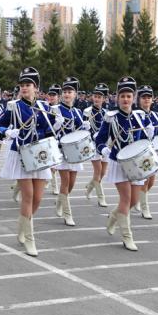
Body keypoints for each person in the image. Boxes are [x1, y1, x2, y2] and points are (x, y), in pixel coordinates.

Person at [0, 67, 59, 256]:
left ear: (36, 88)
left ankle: (22, 225)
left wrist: (55, 133)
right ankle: (30, 239)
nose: (24, 88)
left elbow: (48, 132)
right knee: (28, 196)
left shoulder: (44, 107)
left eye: (28, 85)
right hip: (21, 154)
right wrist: (7, 132)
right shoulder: (13, 106)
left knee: (38, 198)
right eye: (22, 85)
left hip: (40, 155)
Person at [95, 76, 151, 251]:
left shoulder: (141, 116)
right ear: (117, 98)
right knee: (126, 199)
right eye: (122, 96)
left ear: (133, 98)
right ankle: (127, 237)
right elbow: (100, 139)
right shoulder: (111, 117)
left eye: (129, 96)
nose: (126, 99)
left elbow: (145, 141)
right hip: (119, 162)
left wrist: (150, 134)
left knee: (134, 200)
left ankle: (113, 217)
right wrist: (103, 149)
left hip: (137, 163)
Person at [133, 85, 158, 219]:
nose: (146, 100)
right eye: (143, 97)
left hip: (153, 150)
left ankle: (137, 199)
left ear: (152, 99)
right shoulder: (136, 115)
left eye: (149, 97)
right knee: (144, 182)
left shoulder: (155, 115)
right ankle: (145, 208)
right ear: (139, 99)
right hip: (141, 151)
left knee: (151, 182)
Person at [53, 76, 88, 226]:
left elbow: (80, 133)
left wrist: (86, 127)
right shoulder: (56, 110)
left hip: (75, 152)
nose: (67, 94)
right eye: (65, 91)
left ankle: (60, 202)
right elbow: (49, 131)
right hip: (61, 150)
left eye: (70, 92)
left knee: (72, 183)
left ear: (75, 94)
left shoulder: (78, 112)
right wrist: (55, 125)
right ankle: (68, 214)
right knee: (65, 181)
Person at [83, 83, 110, 207]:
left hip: (104, 145)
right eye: (95, 96)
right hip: (93, 145)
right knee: (98, 171)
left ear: (104, 99)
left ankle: (89, 187)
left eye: (100, 97)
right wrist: (89, 131)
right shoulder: (87, 111)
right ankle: (101, 198)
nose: (97, 99)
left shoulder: (107, 113)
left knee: (103, 172)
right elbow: (83, 130)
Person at [46, 83, 62, 196]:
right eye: (50, 95)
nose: (51, 97)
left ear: (58, 97)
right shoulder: (45, 108)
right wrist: (55, 126)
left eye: (54, 95)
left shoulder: (61, 109)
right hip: (47, 138)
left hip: (59, 140)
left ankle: (51, 184)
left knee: (54, 165)